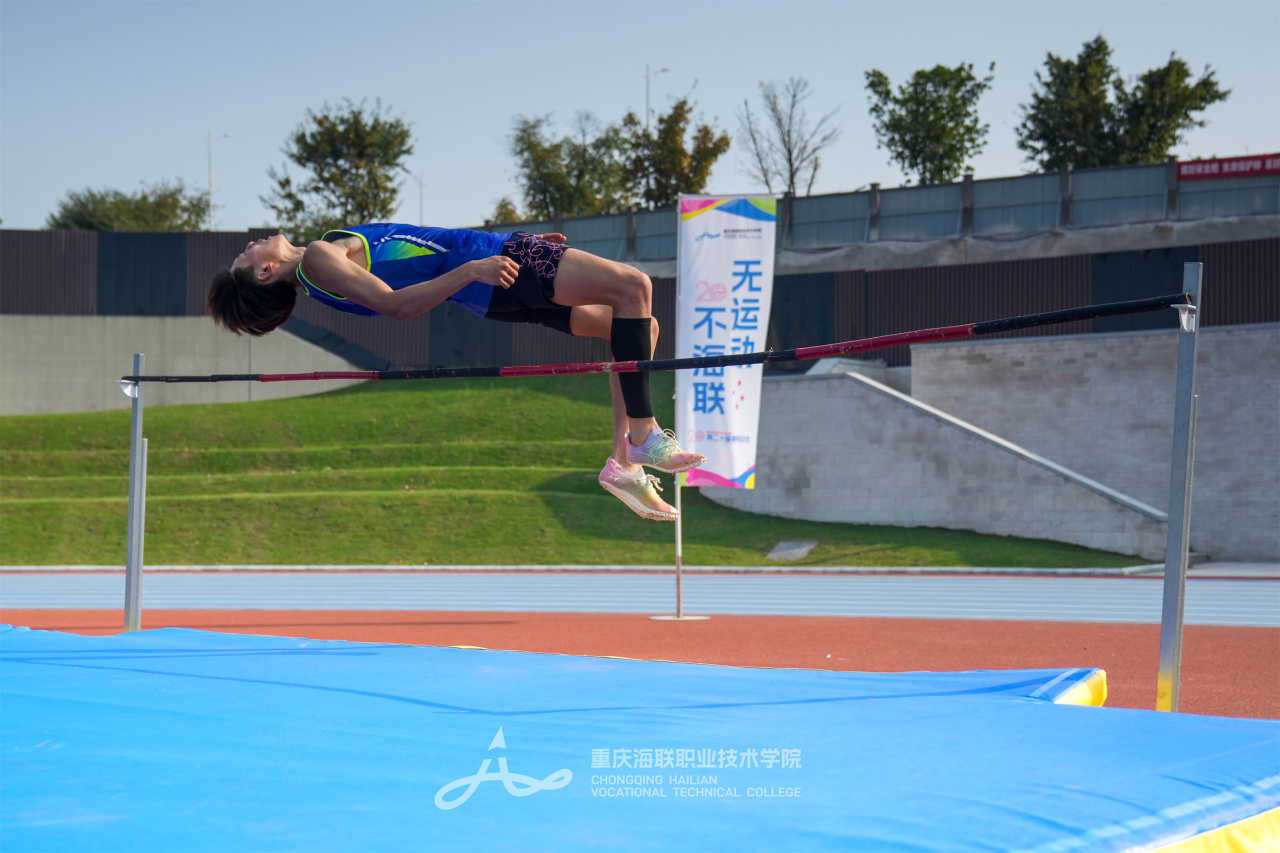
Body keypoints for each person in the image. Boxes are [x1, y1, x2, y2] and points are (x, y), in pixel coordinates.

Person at [206, 225, 704, 520]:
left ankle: (623, 463)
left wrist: (516, 251)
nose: (249, 244)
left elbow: (424, 251)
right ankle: (642, 435)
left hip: (490, 278)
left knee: (639, 328)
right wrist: (475, 267)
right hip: (489, 266)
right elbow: (397, 305)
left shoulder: (322, 273)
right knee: (634, 287)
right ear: (265, 273)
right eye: (245, 256)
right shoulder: (316, 259)